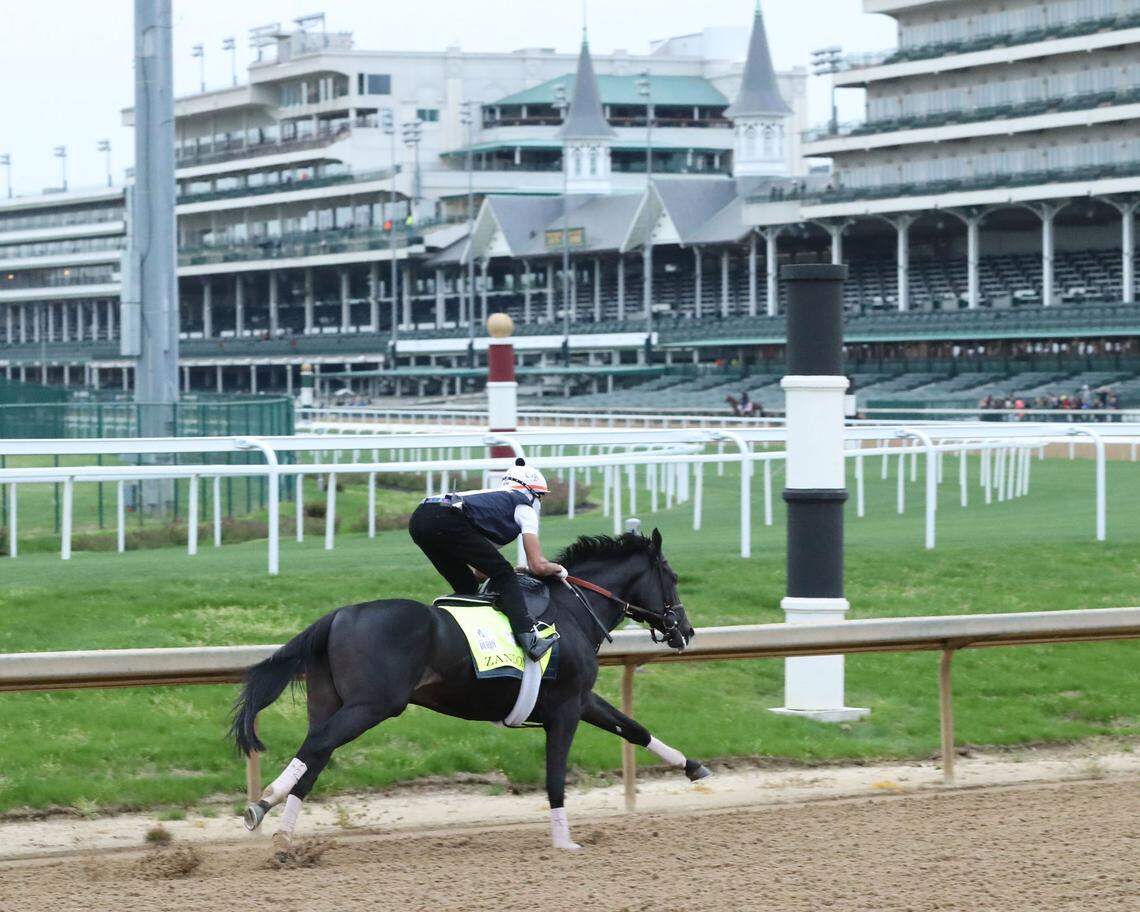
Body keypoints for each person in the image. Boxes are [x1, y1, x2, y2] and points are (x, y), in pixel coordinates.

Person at [408, 457, 565, 661]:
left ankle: (457, 637)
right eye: (541, 496)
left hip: (420, 518)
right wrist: (560, 569)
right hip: (446, 518)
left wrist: (507, 572)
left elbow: (481, 573)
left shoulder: (491, 505)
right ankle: (530, 640)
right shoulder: (524, 507)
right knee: (505, 574)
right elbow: (538, 565)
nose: (540, 502)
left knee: (467, 585)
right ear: (532, 492)